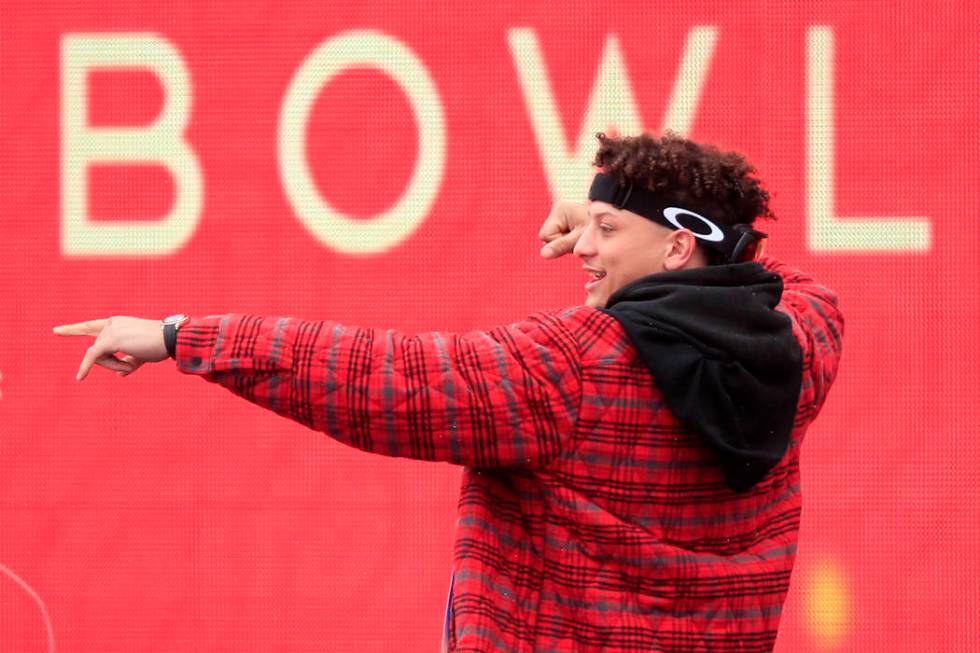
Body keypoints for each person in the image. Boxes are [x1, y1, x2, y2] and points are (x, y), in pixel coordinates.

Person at [54, 132, 843, 652]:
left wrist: (181, 335)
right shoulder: (799, 341)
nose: (586, 248)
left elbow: (374, 375)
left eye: (606, 229)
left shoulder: (567, 367)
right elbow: (773, 274)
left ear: (676, 244)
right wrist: (636, 226)